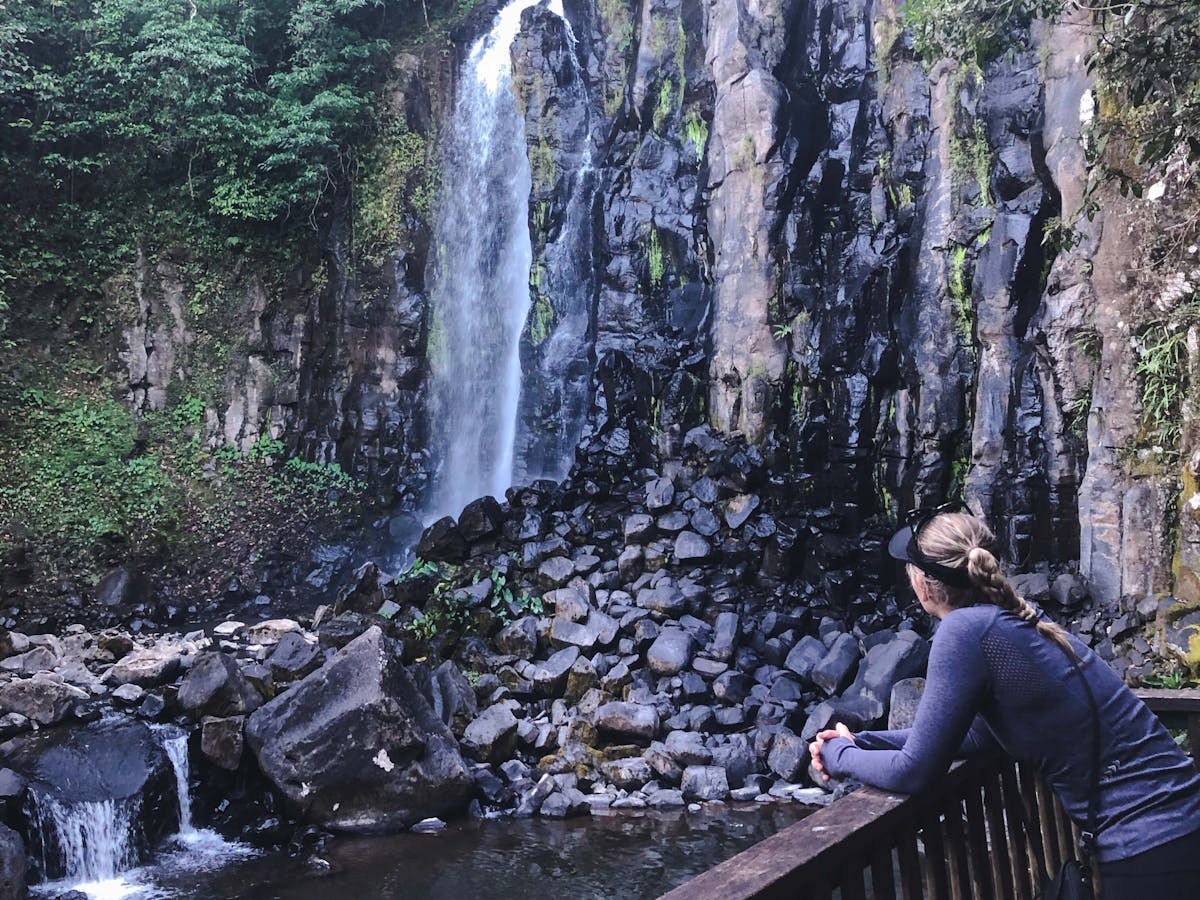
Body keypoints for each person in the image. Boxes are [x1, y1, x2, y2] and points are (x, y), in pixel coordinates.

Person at [809, 510, 1200, 899]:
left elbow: (915, 772)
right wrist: (861, 741)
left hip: (1152, 839)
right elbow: (976, 737)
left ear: (924, 586)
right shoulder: (1011, 619)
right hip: (1176, 822)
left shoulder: (963, 632)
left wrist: (835, 753)